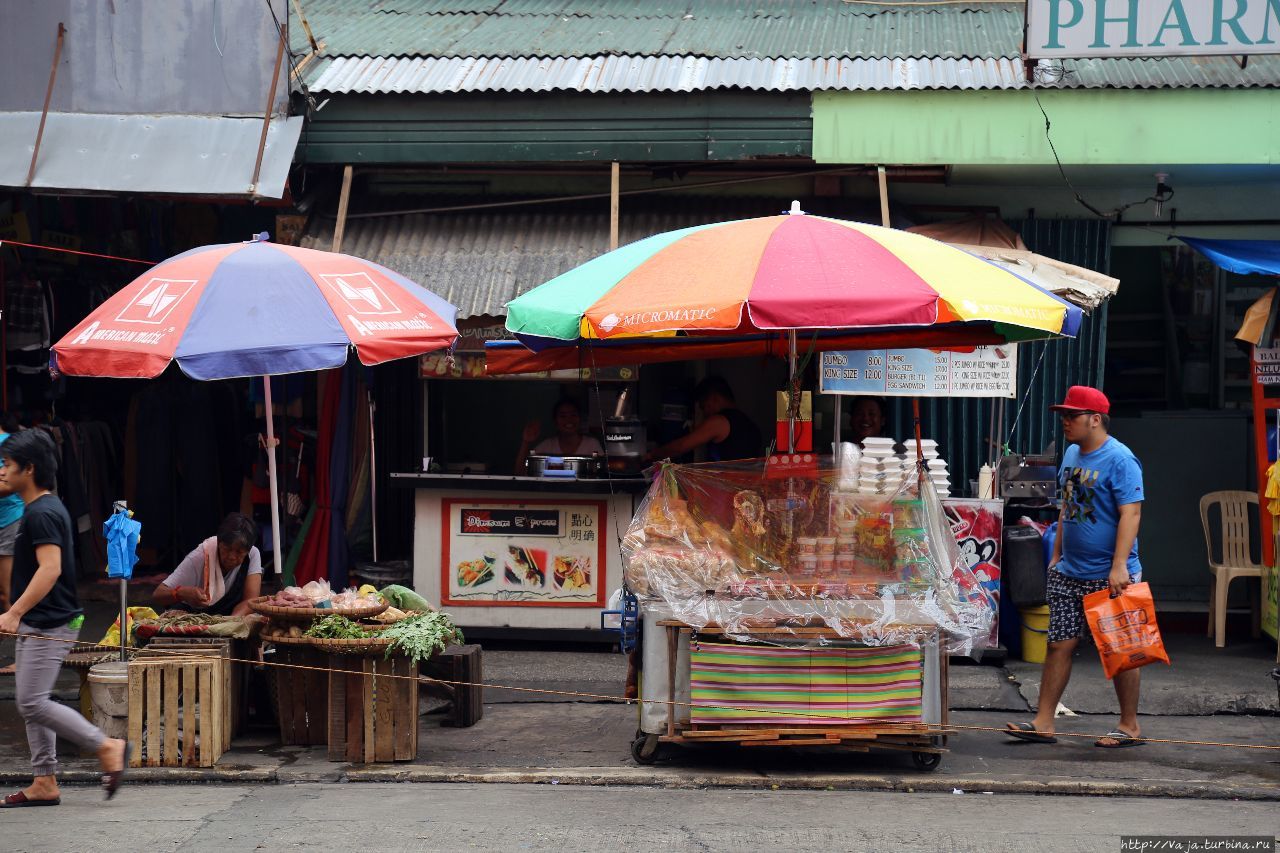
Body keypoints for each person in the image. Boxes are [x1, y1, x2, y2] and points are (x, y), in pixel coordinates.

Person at [1006, 386, 1145, 749]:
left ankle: (1129, 725)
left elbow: (1131, 513)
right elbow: (1067, 503)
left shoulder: (1121, 460)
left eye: (1072, 416)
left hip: (1111, 573)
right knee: (1058, 645)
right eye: (1064, 415)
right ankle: (1043, 722)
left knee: (1121, 649)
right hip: (1070, 570)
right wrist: (1057, 551)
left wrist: (1119, 566)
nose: (1065, 422)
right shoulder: (1070, 453)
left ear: (1095, 419)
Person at [0, 430, 127, 805]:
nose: (2, 471)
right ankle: (44, 781)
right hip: (44, 620)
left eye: (7, 464)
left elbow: (50, 569)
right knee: (30, 699)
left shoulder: (42, 513)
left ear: (30, 468)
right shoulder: (42, 508)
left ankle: (106, 747)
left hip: (49, 621)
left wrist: (14, 612)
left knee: (32, 702)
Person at [153, 513, 263, 617]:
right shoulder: (200, 556)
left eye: (239, 552)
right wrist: (181, 593)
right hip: (193, 618)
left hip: (229, 618)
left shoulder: (252, 554)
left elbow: (251, 600)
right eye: (227, 549)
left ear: (247, 551)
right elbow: (158, 595)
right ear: (219, 543)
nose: (232, 557)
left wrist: (231, 622)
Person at [646, 376, 764, 463]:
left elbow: (681, 446)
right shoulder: (750, 425)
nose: (705, 413)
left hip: (726, 491)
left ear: (714, 398)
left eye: (703, 407)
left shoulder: (719, 421)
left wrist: (651, 455)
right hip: (747, 491)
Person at [515, 397, 604, 474]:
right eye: (563, 416)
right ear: (555, 421)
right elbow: (520, 473)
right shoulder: (548, 445)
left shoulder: (592, 444)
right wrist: (526, 441)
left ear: (580, 418)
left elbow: (603, 475)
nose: (569, 420)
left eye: (573, 415)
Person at [0, 414, 26, 674]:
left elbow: (10, 485)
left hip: (9, 520)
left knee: (9, 594)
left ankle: (22, 659)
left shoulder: (7, 442)